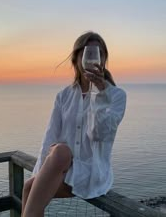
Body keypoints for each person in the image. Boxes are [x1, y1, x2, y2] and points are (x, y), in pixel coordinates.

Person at [22, 31, 127, 217]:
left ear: (104, 59)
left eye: (100, 53)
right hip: (64, 169)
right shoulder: (64, 95)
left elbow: (99, 134)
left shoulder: (116, 96)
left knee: (59, 152)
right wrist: (39, 175)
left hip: (92, 173)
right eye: (88, 52)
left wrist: (100, 95)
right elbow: (49, 138)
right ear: (76, 58)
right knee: (29, 185)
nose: (96, 58)